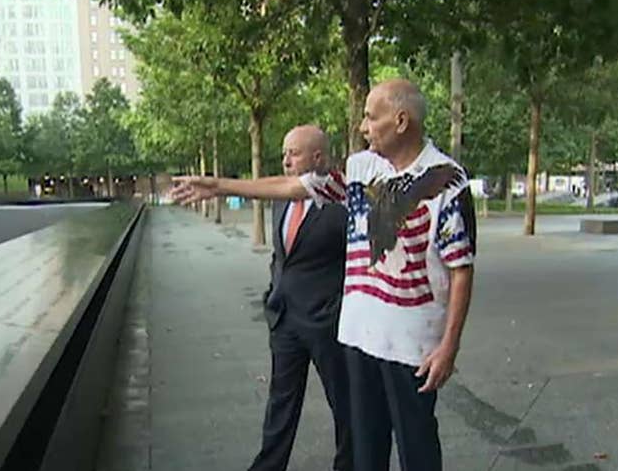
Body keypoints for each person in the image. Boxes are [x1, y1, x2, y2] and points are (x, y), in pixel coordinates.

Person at [171, 79, 476, 471]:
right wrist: (216, 185)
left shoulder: (447, 180)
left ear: (401, 121)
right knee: (365, 450)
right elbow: (293, 186)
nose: (363, 128)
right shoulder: (360, 168)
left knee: (417, 449)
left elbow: (460, 268)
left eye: (370, 117)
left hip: (411, 346)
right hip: (358, 336)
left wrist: (448, 347)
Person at [248, 125, 352, 471]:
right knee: (281, 402)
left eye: (293, 153)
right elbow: (282, 255)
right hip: (285, 320)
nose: (285, 160)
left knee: (345, 404)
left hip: (327, 323)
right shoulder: (282, 197)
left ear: (317, 157)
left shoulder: (343, 203)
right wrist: (273, 293)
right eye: (283, 154)